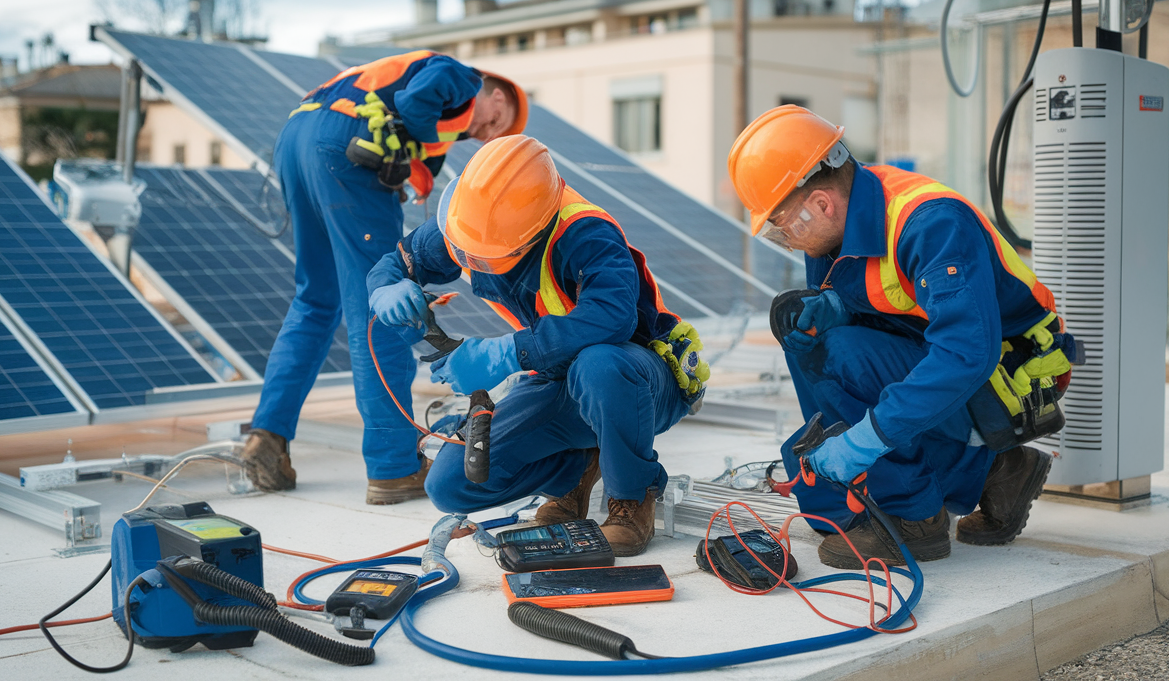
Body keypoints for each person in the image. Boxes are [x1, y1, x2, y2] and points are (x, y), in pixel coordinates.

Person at [728, 105, 1075, 569]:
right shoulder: (835, 225)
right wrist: (833, 310)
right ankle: (999, 473)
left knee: (839, 353)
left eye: (784, 225)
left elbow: (966, 352)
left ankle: (916, 517)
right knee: (806, 339)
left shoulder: (931, 223)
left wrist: (864, 440)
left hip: (1008, 379)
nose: (787, 239)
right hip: (943, 357)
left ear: (821, 204)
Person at [366, 135, 709, 556]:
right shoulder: (470, 218)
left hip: (640, 377)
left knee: (599, 365)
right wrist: (386, 287)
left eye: (487, 258)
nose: (472, 262)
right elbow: (397, 260)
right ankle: (574, 474)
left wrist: (504, 354)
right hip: (558, 373)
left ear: (531, 233)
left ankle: (633, 497)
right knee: (451, 483)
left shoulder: (586, 232)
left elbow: (612, 318)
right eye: (465, 252)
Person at [242, 51, 527, 504]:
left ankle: (267, 439)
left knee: (315, 301)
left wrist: (416, 171)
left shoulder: (402, 96)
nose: (487, 133)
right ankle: (394, 466)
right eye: (497, 121)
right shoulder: (462, 77)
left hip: (296, 140)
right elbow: (418, 101)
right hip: (343, 145)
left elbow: (411, 125)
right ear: (495, 94)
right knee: (378, 308)